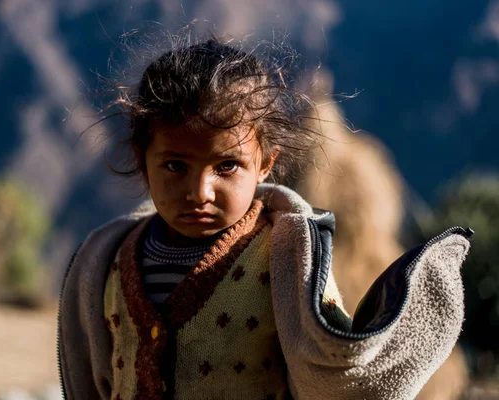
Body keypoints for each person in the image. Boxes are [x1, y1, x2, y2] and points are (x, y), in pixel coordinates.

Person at [57, 35, 473, 400]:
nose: (199, 192)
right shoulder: (110, 261)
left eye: (226, 167)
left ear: (265, 164)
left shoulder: (286, 257)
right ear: (142, 161)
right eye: (174, 166)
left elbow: (331, 367)